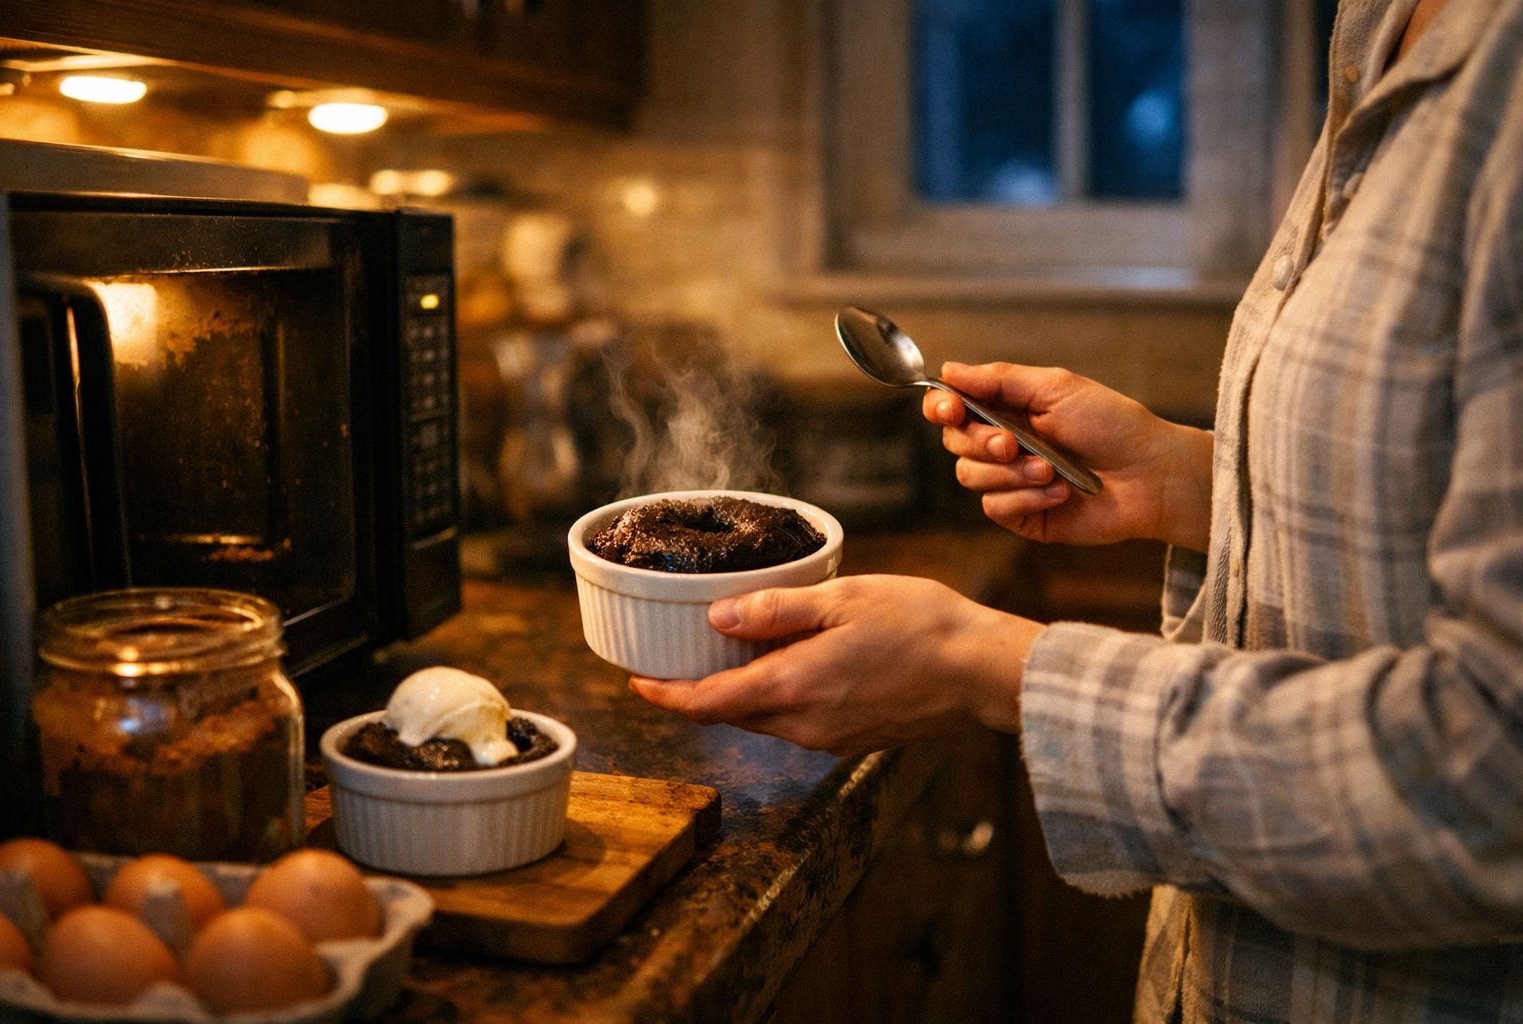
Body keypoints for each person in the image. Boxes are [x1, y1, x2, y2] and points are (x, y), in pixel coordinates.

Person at [630, 0, 1523, 1019]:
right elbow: (1418, 500)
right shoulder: (1380, 25)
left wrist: (992, 669)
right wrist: (1192, 482)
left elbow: (1495, 779)